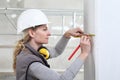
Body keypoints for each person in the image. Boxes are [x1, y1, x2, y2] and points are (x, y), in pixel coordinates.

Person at [13, 9, 91, 80]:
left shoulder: (33, 52)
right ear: (32, 33)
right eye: (44, 29)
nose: (49, 33)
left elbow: (56, 51)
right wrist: (84, 54)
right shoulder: (32, 63)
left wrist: (67, 35)